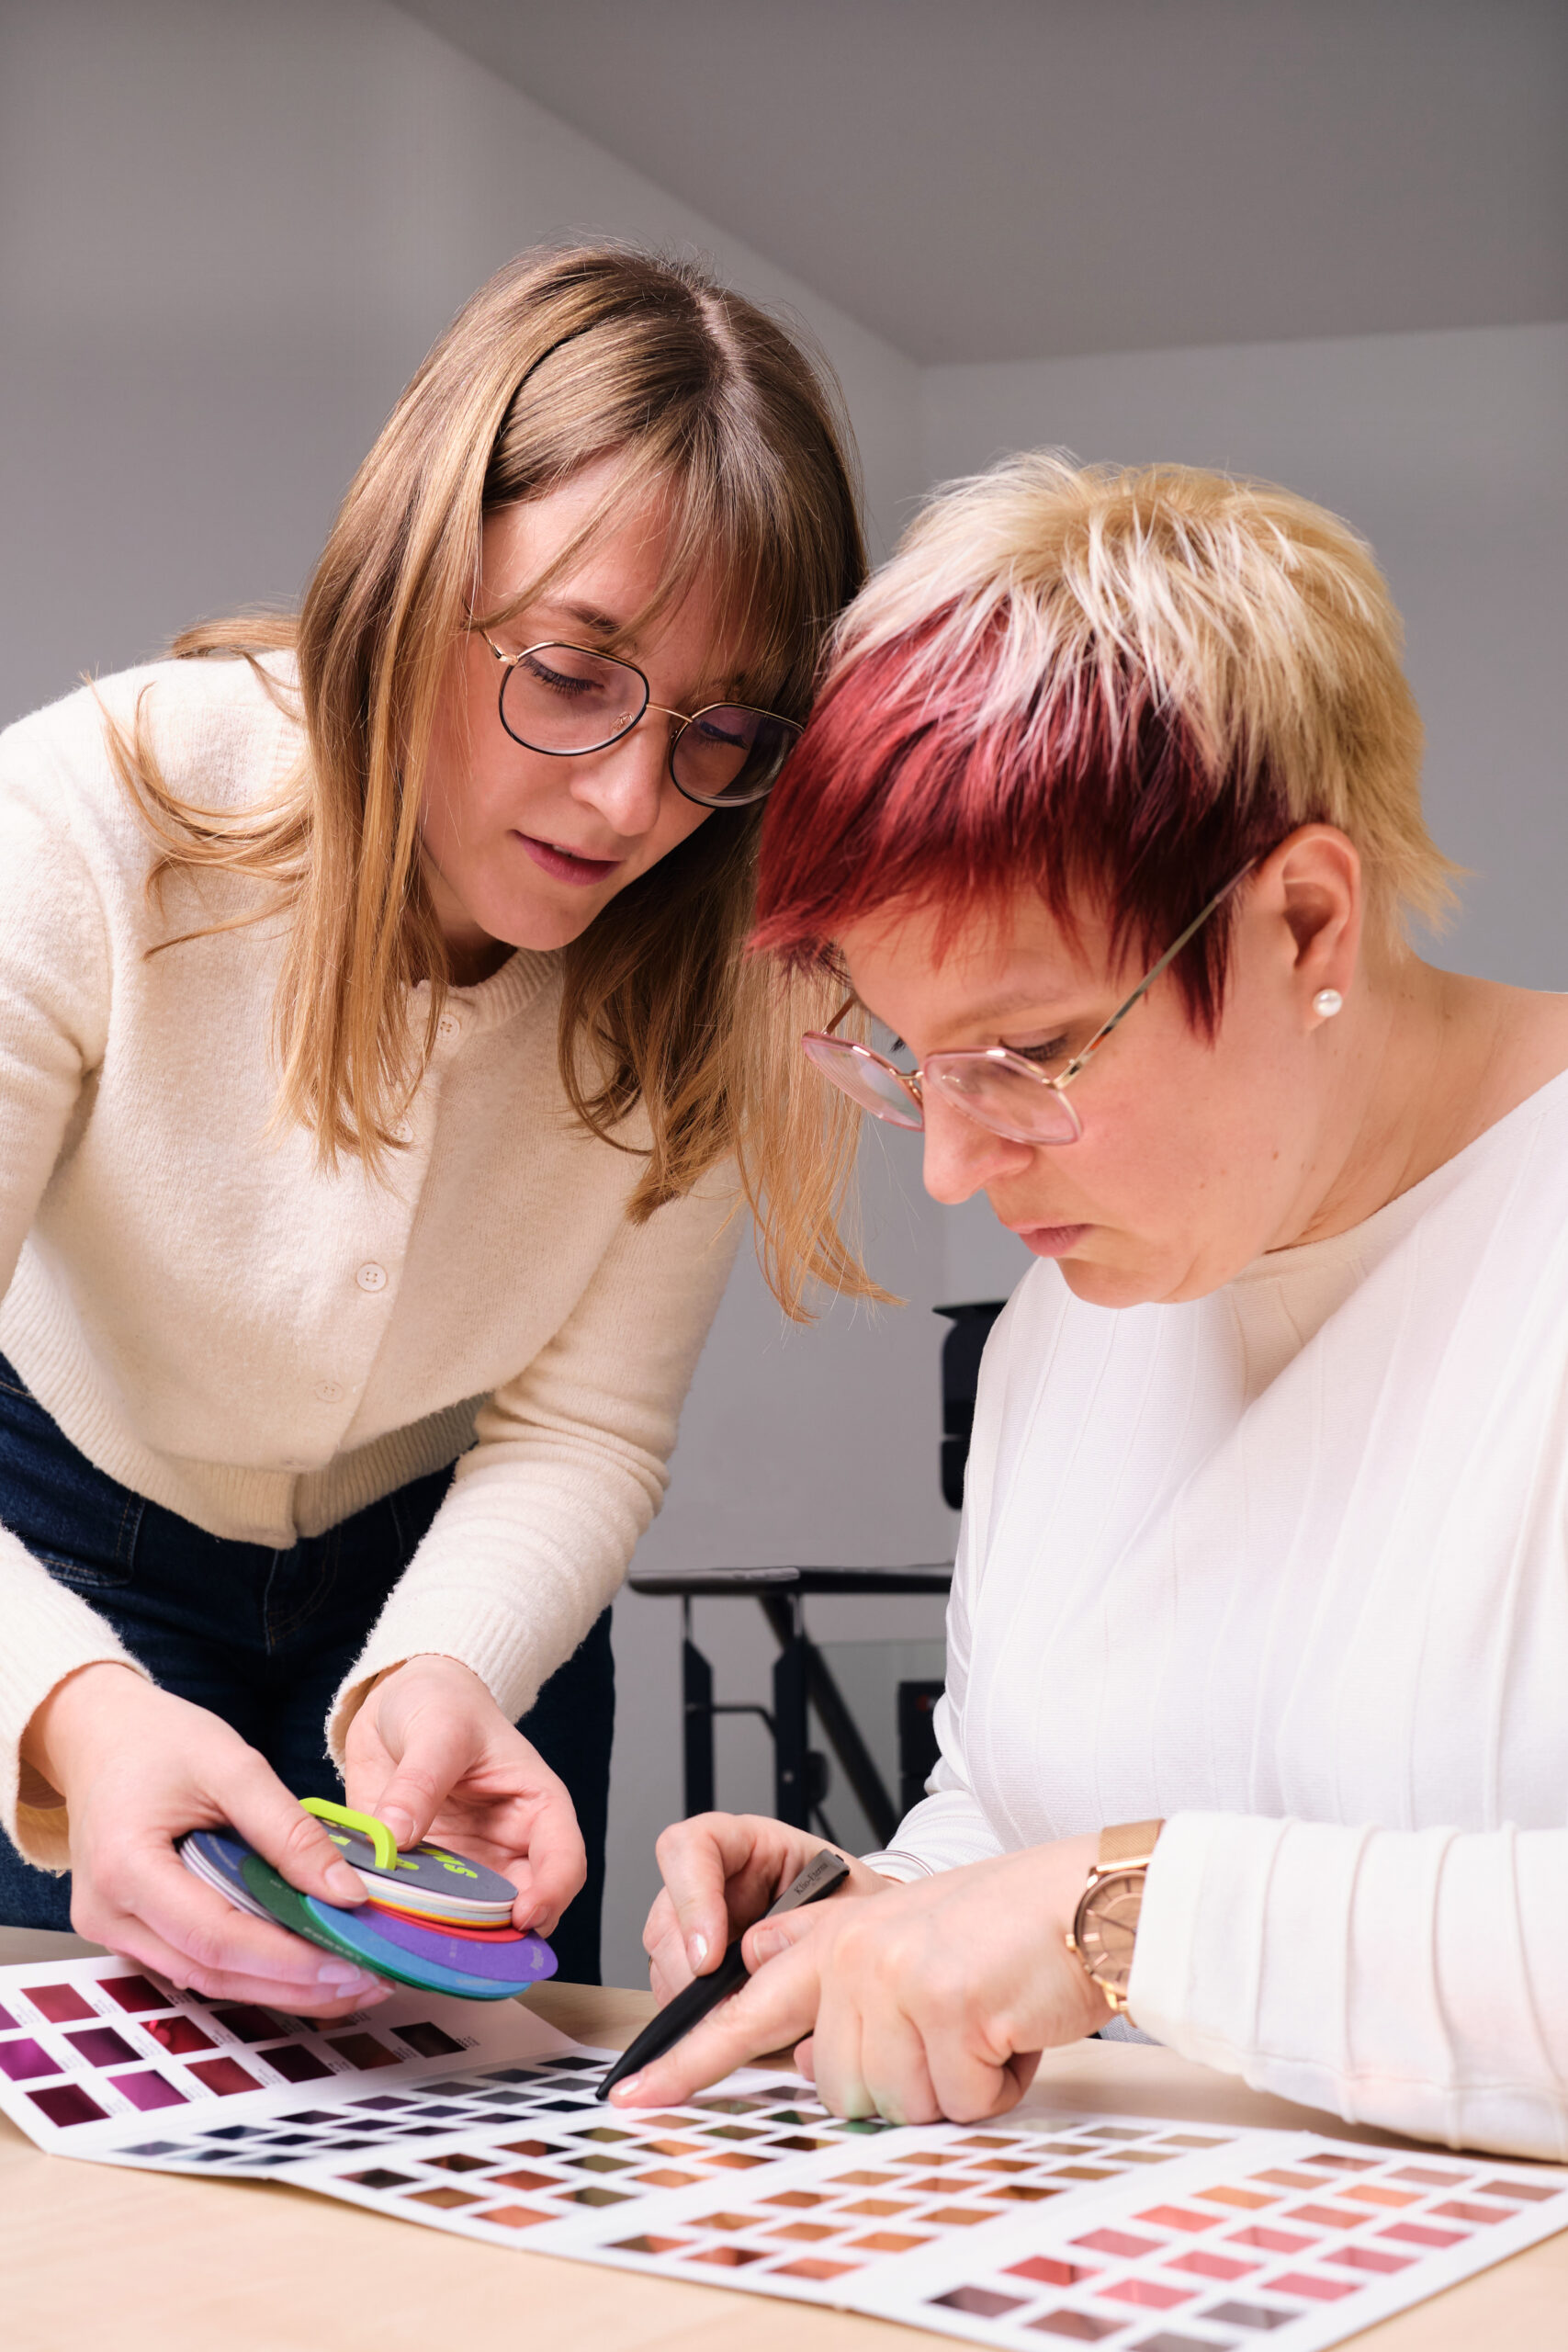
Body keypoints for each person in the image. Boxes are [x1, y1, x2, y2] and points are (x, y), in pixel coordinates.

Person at [627, 454, 1568, 2162]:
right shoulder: (1077, 1308)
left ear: (1305, 922)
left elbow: (1100, 1906)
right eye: (912, 1062)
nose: (953, 1171)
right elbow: (1020, 1808)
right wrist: (881, 1917)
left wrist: (1110, 1918)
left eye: (1030, 1052)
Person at [0, 243, 870, 2006]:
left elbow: (586, 1426)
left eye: (724, 731)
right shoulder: (87, 822)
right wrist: (70, 1713)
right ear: (416, 574)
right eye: (572, 669)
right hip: (54, 1554)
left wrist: (442, 1670)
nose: (631, 801)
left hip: (450, 1579)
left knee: (465, 2124)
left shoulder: (718, 964)